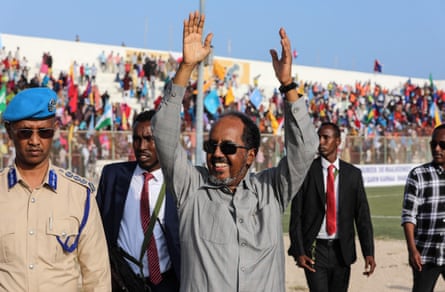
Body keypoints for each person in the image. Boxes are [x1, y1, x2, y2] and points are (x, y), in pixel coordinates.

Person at [151, 11, 318, 292]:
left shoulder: (271, 191)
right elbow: (164, 133)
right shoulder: (191, 188)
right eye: (211, 145)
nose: (217, 153)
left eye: (228, 147)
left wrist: (288, 85)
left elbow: (305, 149)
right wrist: (186, 68)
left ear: (250, 155)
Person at [0, 87, 111, 291]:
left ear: (55, 129)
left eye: (44, 132)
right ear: (9, 132)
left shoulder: (79, 195)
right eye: (25, 132)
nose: (35, 141)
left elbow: (97, 276)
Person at [96, 110, 180, 292]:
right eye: (137, 139)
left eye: (150, 139)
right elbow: (96, 230)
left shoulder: (179, 184)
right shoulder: (113, 177)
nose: (142, 146)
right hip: (122, 282)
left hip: (166, 284)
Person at [288, 122, 376, 292]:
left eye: (326, 138)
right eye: (318, 137)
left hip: (342, 251)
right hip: (314, 250)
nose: (321, 142)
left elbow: (362, 217)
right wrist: (299, 251)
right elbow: (296, 216)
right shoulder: (306, 172)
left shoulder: (353, 175)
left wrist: (369, 252)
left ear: (338, 141)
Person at [402, 123, 445, 292]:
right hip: (425, 254)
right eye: (433, 144)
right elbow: (408, 215)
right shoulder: (418, 175)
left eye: (442, 144)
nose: (437, 148)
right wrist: (412, 250)